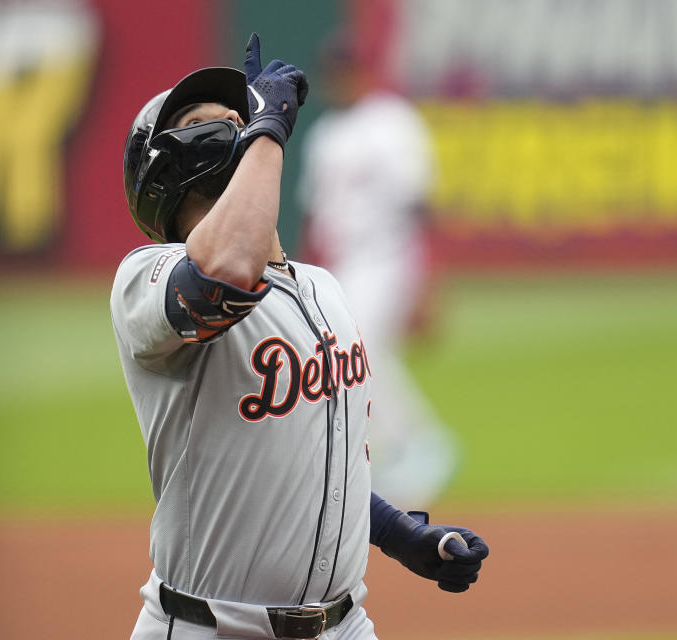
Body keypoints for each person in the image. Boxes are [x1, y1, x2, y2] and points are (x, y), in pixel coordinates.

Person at [112, 34, 489, 640]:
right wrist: (266, 133)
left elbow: (323, 464)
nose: (240, 118)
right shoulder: (143, 279)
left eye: (243, 112)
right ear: (168, 163)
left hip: (344, 626)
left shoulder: (325, 290)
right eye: (205, 118)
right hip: (207, 627)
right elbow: (224, 275)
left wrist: (401, 535)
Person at [298, 34, 457, 511]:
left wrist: (429, 285)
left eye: (346, 70)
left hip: (390, 254)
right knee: (346, 358)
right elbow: (316, 217)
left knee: (361, 349)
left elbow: (419, 204)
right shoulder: (324, 134)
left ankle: (422, 444)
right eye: (333, 73)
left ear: (363, 71)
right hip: (344, 263)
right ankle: (397, 450)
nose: (340, 80)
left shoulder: (392, 122)